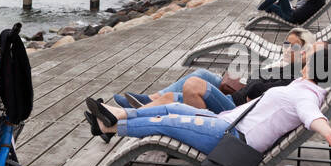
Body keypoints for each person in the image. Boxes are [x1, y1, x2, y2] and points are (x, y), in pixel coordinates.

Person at [83, 46, 331, 159]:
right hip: (224, 123)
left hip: (231, 137)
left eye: (311, 59)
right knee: (173, 107)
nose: (306, 60)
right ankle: (117, 113)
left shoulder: (307, 95)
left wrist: (328, 132)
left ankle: (110, 127)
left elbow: (311, 115)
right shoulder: (302, 84)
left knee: (167, 122)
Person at [113, 30, 316, 111]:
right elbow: (257, 83)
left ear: (306, 51)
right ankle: (145, 101)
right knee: (200, 74)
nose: (288, 49)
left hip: (234, 104)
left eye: (295, 46)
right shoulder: (288, 66)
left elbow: (257, 89)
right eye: (286, 44)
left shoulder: (294, 74)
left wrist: (253, 79)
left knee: (183, 92)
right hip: (239, 92)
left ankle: (130, 112)